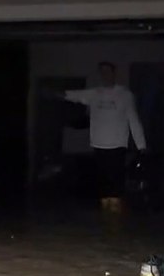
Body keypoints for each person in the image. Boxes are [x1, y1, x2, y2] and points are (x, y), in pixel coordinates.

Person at [62, 61, 147, 214]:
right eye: (102, 72)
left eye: (108, 71)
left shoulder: (124, 95)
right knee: (102, 183)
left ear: (114, 74)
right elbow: (75, 95)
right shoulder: (95, 94)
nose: (105, 75)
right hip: (99, 144)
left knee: (116, 183)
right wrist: (58, 94)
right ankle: (105, 217)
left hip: (117, 144)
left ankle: (116, 216)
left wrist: (141, 145)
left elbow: (133, 119)